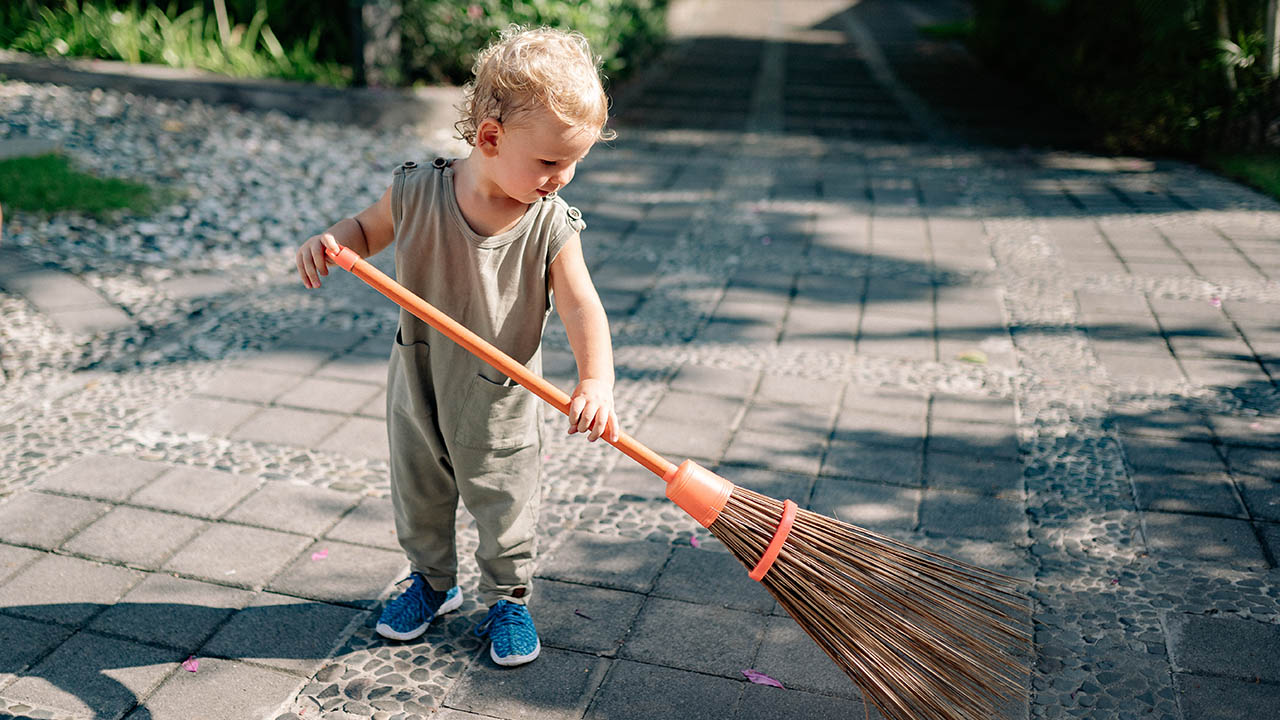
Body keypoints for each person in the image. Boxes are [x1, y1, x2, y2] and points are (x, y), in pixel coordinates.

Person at [294, 25, 619, 667]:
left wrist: (595, 381)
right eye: (551, 162)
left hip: (500, 395)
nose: (563, 178)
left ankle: (508, 597)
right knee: (419, 489)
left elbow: (582, 304)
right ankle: (431, 582)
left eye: (572, 162)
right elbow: (365, 228)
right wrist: (331, 243)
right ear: (491, 139)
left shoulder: (549, 222)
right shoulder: (417, 189)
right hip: (418, 378)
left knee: (502, 498)